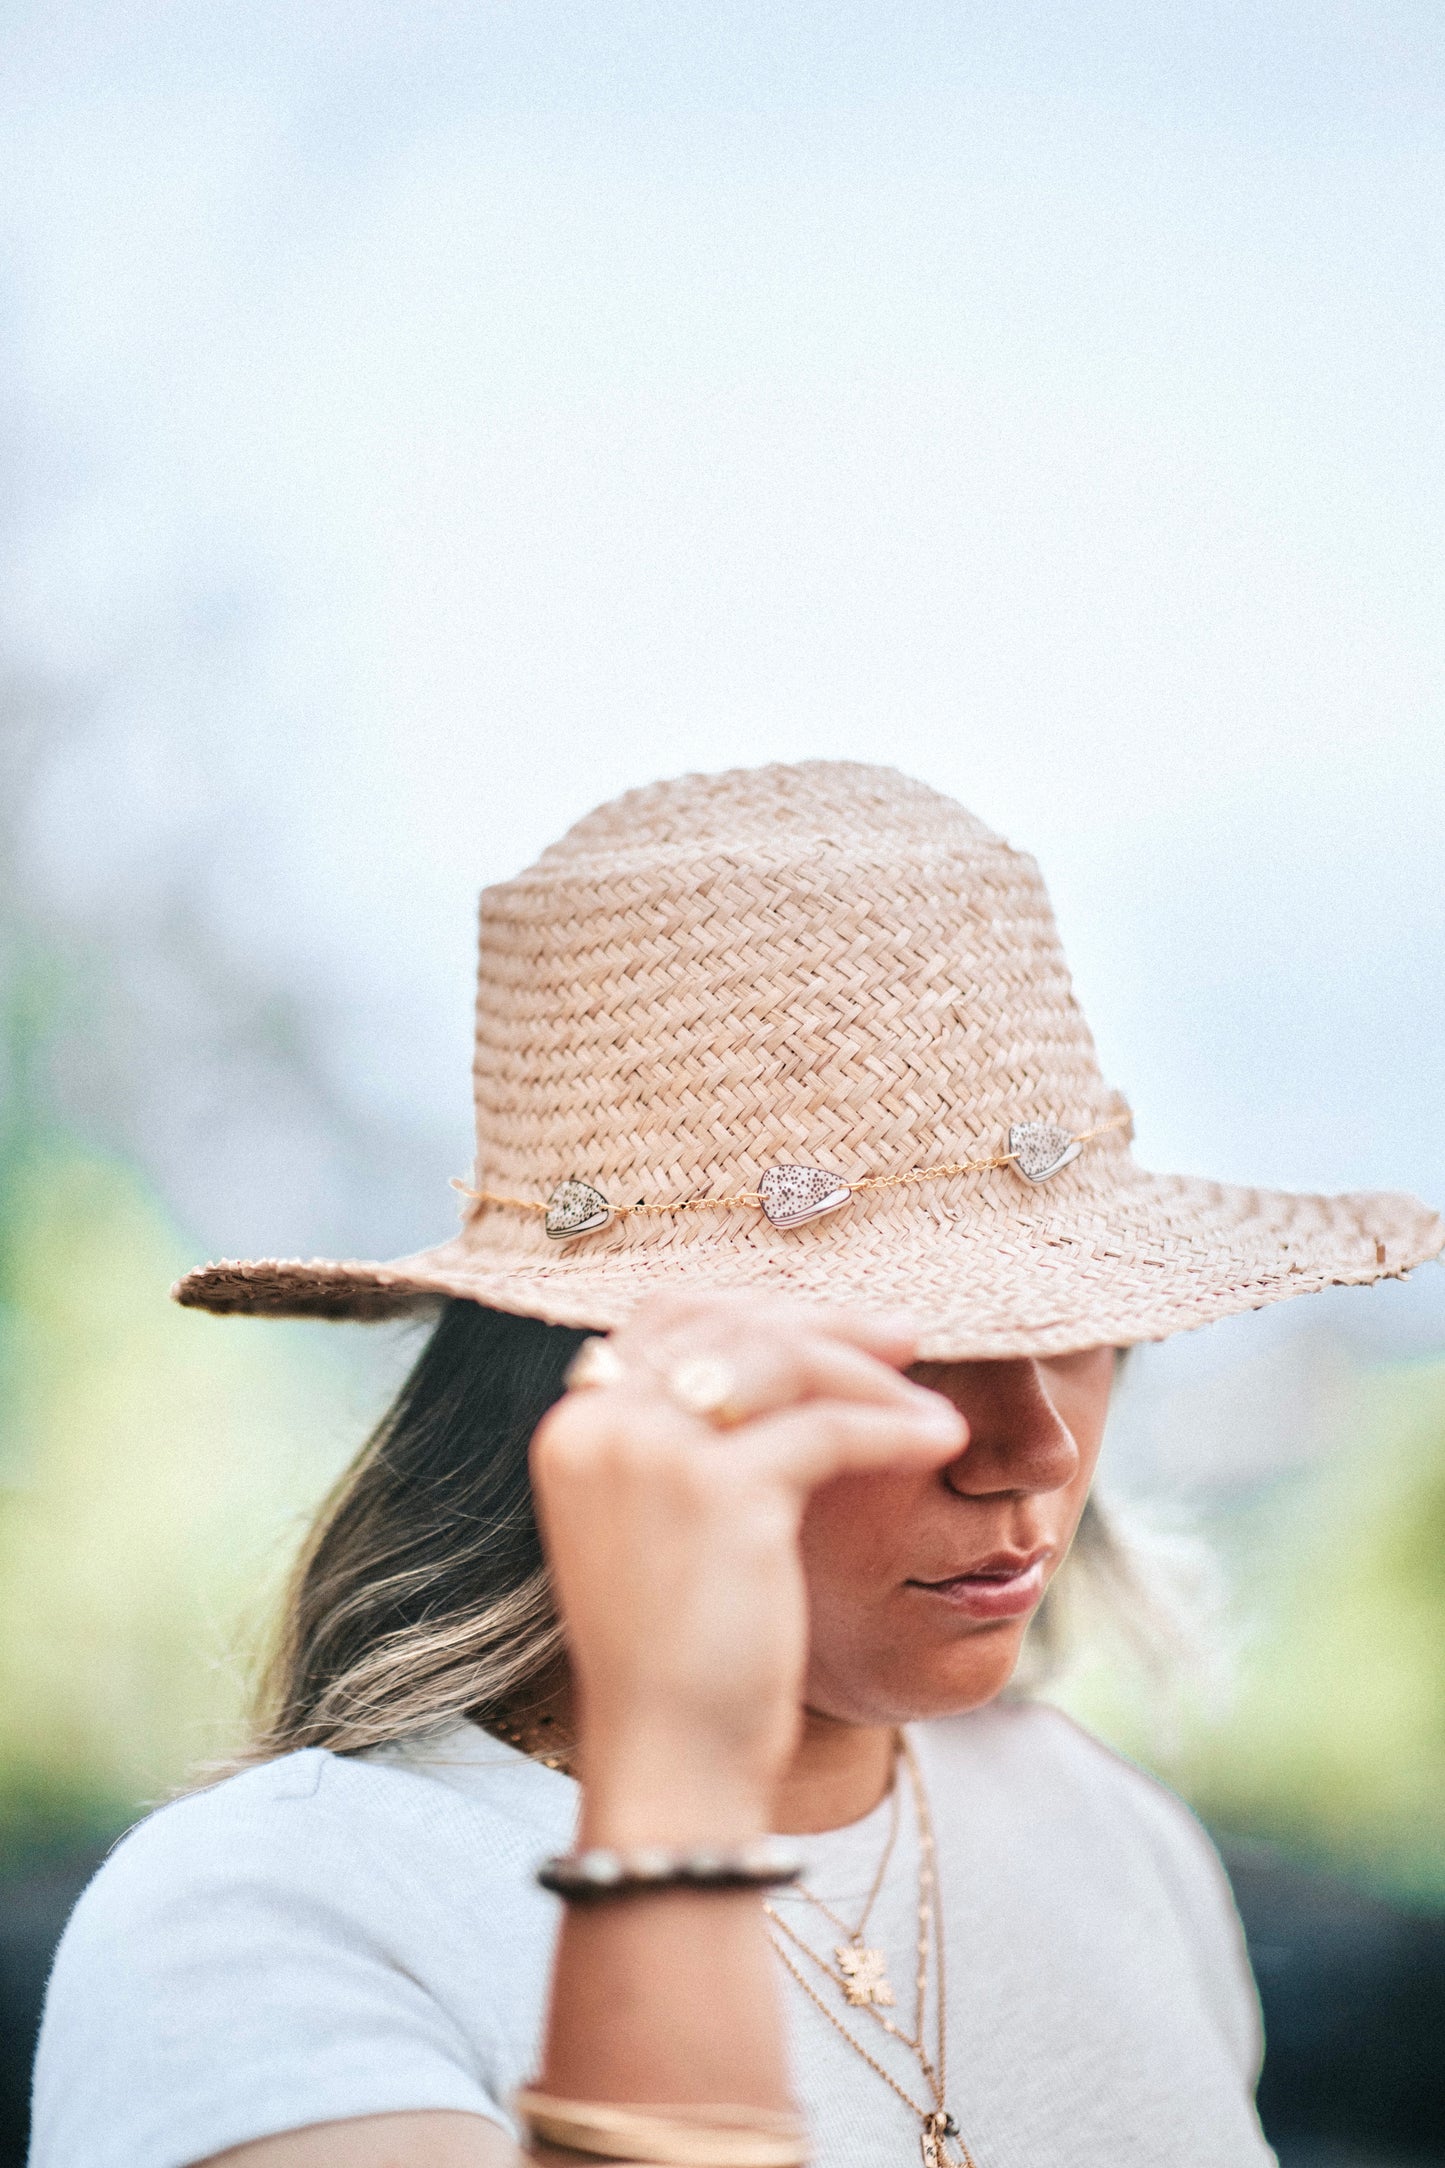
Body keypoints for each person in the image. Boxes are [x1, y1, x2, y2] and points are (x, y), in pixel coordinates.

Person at [29, 762, 1442, 2168]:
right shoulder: (263, 1923)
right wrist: (679, 1772)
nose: (1034, 1448)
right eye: (913, 1348)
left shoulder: (1106, 1838)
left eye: (1075, 1328)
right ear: (590, 1391)